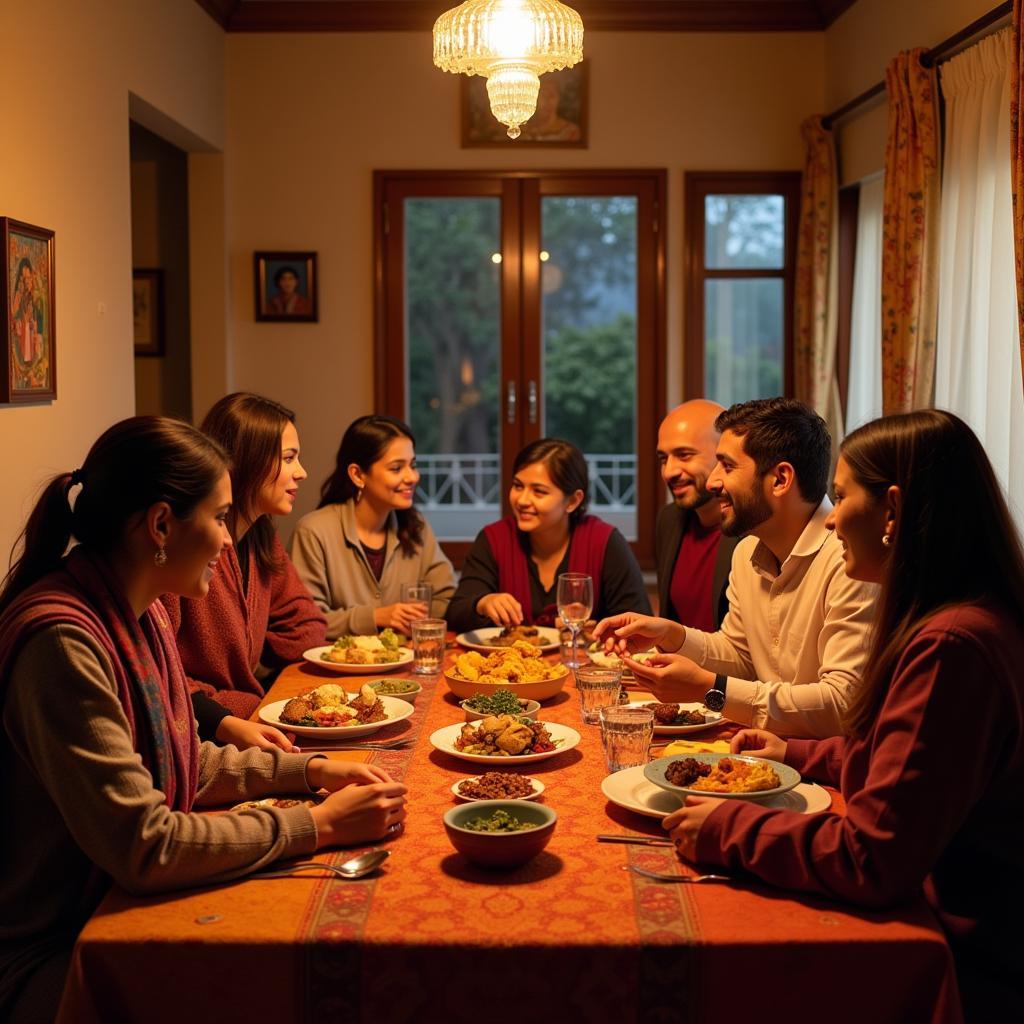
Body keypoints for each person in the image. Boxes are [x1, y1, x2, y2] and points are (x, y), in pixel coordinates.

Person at [0, 416, 407, 1024]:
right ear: (161, 525)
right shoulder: (65, 641)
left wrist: (311, 770)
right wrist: (316, 826)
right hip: (62, 947)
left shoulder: (137, 613)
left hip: (109, 911)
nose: (227, 539)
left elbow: (184, 755)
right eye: (219, 518)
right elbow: (147, 845)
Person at [662, 410, 1024, 1020]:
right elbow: (903, 757)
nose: (832, 516)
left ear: (893, 510)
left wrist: (728, 830)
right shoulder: (959, 617)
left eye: (843, 494)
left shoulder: (951, 645)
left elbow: (872, 858)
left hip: (972, 957)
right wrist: (800, 754)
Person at [596, 398, 876, 739]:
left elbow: (842, 704)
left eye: (727, 466)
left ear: (780, 479)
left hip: (828, 769)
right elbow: (741, 656)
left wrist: (710, 690)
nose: (714, 482)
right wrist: (672, 635)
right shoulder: (747, 552)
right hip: (767, 750)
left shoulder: (851, 560)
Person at [162, 393, 327, 734]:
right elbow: (164, 676)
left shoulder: (260, 536)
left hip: (249, 711)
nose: (302, 472)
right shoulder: (183, 551)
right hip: (208, 726)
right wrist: (237, 707)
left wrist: (253, 639)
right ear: (247, 461)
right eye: (289, 458)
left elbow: (308, 628)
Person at [447, 438, 650, 632]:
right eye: (518, 486)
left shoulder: (604, 542)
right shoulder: (494, 538)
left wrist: (595, 631)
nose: (522, 500)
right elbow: (455, 612)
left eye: (539, 491)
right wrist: (483, 603)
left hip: (584, 666)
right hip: (510, 666)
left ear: (572, 501)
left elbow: (638, 622)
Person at [289, 415, 455, 638]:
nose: (412, 477)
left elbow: (447, 598)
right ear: (358, 475)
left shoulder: (417, 527)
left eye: (413, 465)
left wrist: (410, 615)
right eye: (396, 468)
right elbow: (305, 621)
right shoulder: (314, 531)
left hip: (403, 666)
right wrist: (375, 617)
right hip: (338, 668)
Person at [655, 400, 738, 630]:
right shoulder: (669, 520)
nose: (669, 472)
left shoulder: (751, 526)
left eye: (684, 455)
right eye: (664, 459)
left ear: (723, 456)